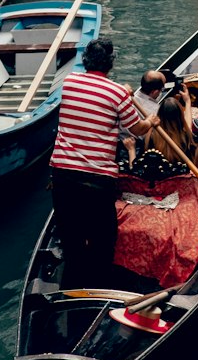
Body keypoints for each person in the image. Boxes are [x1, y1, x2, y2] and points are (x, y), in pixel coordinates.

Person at [50, 35, 156, 288]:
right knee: (104, 238)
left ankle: (71, 286)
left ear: (86, 61)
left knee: (70, 236)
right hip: (97, 178)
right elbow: (137, 129)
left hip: (62, 174)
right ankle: (97, 285)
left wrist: (122, 94)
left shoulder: (68, 82)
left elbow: (95, 96)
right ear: (110, 65)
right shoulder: (117, 93)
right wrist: (151, 121)